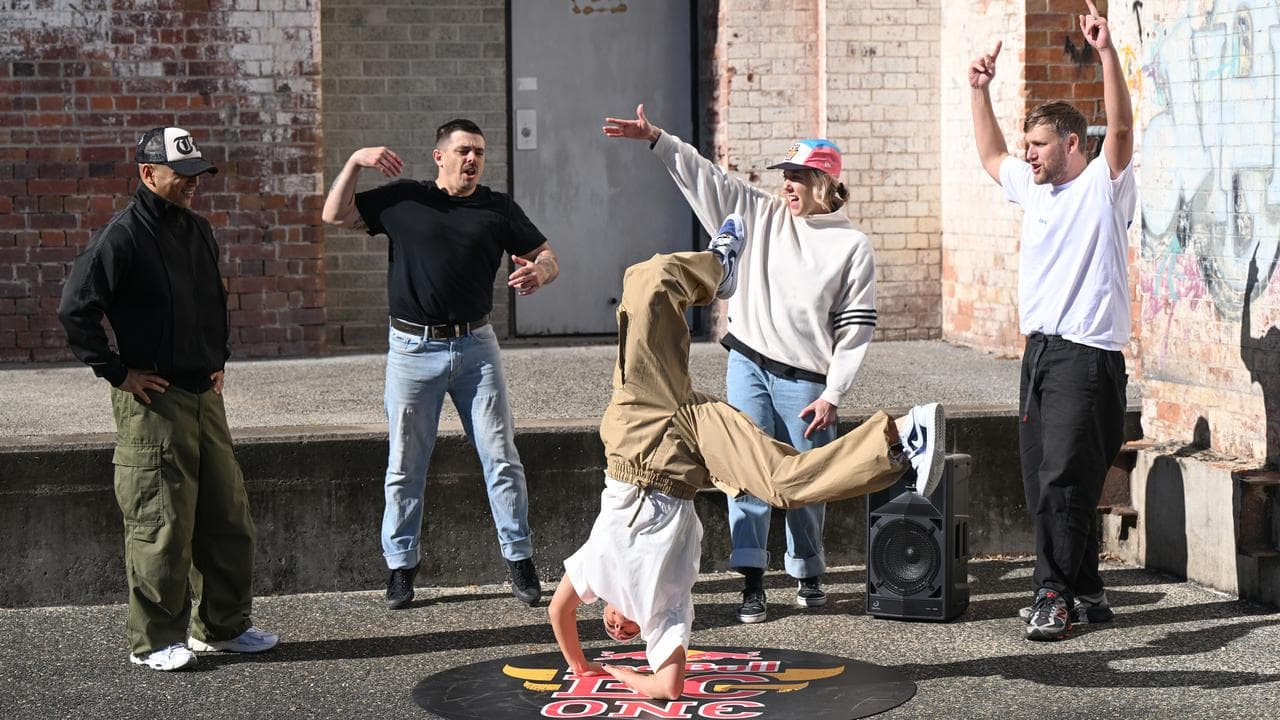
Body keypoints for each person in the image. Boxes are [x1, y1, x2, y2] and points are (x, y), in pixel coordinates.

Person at [549, 218, 945, 699]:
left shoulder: (594, 571)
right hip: (684, 457)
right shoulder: (665, 614)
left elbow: (559, 611)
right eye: (626, 635)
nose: (618, 628)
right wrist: (617, 673)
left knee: (647, 280)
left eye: (610, 627)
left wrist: (581, 665)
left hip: (635, 427)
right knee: (783, 483)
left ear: (603, 610)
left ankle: (719, 265)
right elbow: (668, 688)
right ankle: (903, 437)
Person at [603, 106, 885, 624]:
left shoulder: (852, 246)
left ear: (825, 182)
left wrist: (834, 394)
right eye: (786, 175)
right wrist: (658, 138)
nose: (788, 185)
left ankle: (807, 572)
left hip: (807, 380)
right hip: (748, 363)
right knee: (741, 474)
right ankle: (752, 580)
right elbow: (706, 177)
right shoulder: (759, 214)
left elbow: (855, 329)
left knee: (807, 479)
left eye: (798, 176)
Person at [57, 127, 279, 671]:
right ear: (148, 173)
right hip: (154, 401)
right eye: (182, 174)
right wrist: (116, 372)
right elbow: (76, 308)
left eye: (197, 174)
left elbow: (211, 301)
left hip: (204, 396)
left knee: (227, 519)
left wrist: (218, 357)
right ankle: (155, 641)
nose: (192, 183)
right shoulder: (122, 236)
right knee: (161, 524)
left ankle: (222, 628)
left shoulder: (197, 229)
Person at [321, 119, 559, 610]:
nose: (472, 159)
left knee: (501, 458)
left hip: (476, 349)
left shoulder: (497, 207)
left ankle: (519, 559)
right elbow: (334, 215)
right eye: (464, 151)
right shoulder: (405, 199)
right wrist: (354, 162)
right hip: (412, 350)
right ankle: (400, 568)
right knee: (405, 465)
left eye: (480, 152)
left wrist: (542, 272)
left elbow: (547, 255)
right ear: (440, 157)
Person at [968, 0, 1134, 641]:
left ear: (1072, 143)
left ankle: (1052, 594)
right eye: (1027, 145)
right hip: (1039, 354)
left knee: (1062, 478)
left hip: (1086, 357)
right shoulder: (1033, 188)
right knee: (1046, 479)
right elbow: (991, 156)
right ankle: (1087, 589)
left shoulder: (1103, 186)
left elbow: (1121, 129)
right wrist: (978, 90)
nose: (1028, 154)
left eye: (1039, 145)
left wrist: (1106, 52)